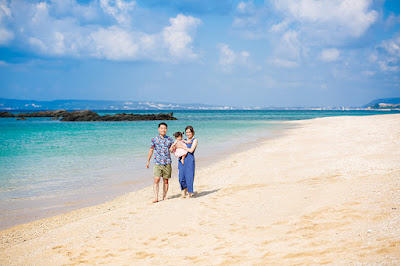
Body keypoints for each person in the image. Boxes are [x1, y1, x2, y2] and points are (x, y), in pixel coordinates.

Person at [146, 122, 173, 203]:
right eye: (161, 128)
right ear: (158, 129)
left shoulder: (170, 139)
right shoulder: (154, 139)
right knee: (156, 179)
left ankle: (164, 196)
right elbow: (151, 150)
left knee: (166, 180)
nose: (163, 130)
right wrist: (148, 161)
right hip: (157, 162)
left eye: (164, 128)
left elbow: (172, 150)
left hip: (167, 162)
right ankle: (156, 197)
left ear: (166, 129)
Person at [173, 126, 198, 198]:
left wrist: (182, 147)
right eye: (187, 132)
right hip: (181, 160)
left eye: (189, 132)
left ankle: (189, 193)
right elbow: (176, 147)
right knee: (181, 177)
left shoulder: (194, 140)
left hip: (189, 159)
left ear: (192, 132)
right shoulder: (183, 140)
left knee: (189, 176)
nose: (188, 133)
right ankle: (184, 190)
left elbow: (191, 150)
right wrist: (174, 147)